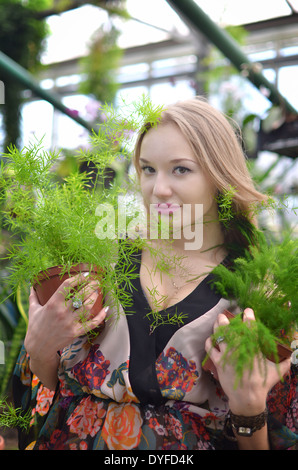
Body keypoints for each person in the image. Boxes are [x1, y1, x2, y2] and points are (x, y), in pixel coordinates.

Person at [13, 97, 297, 450]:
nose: (158, 189)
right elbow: (47, 395)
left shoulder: (258, 295)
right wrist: (38, 350)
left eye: (180, 169)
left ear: (219, 176)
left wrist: (248, 408)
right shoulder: (103, 262)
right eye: (148, 169)